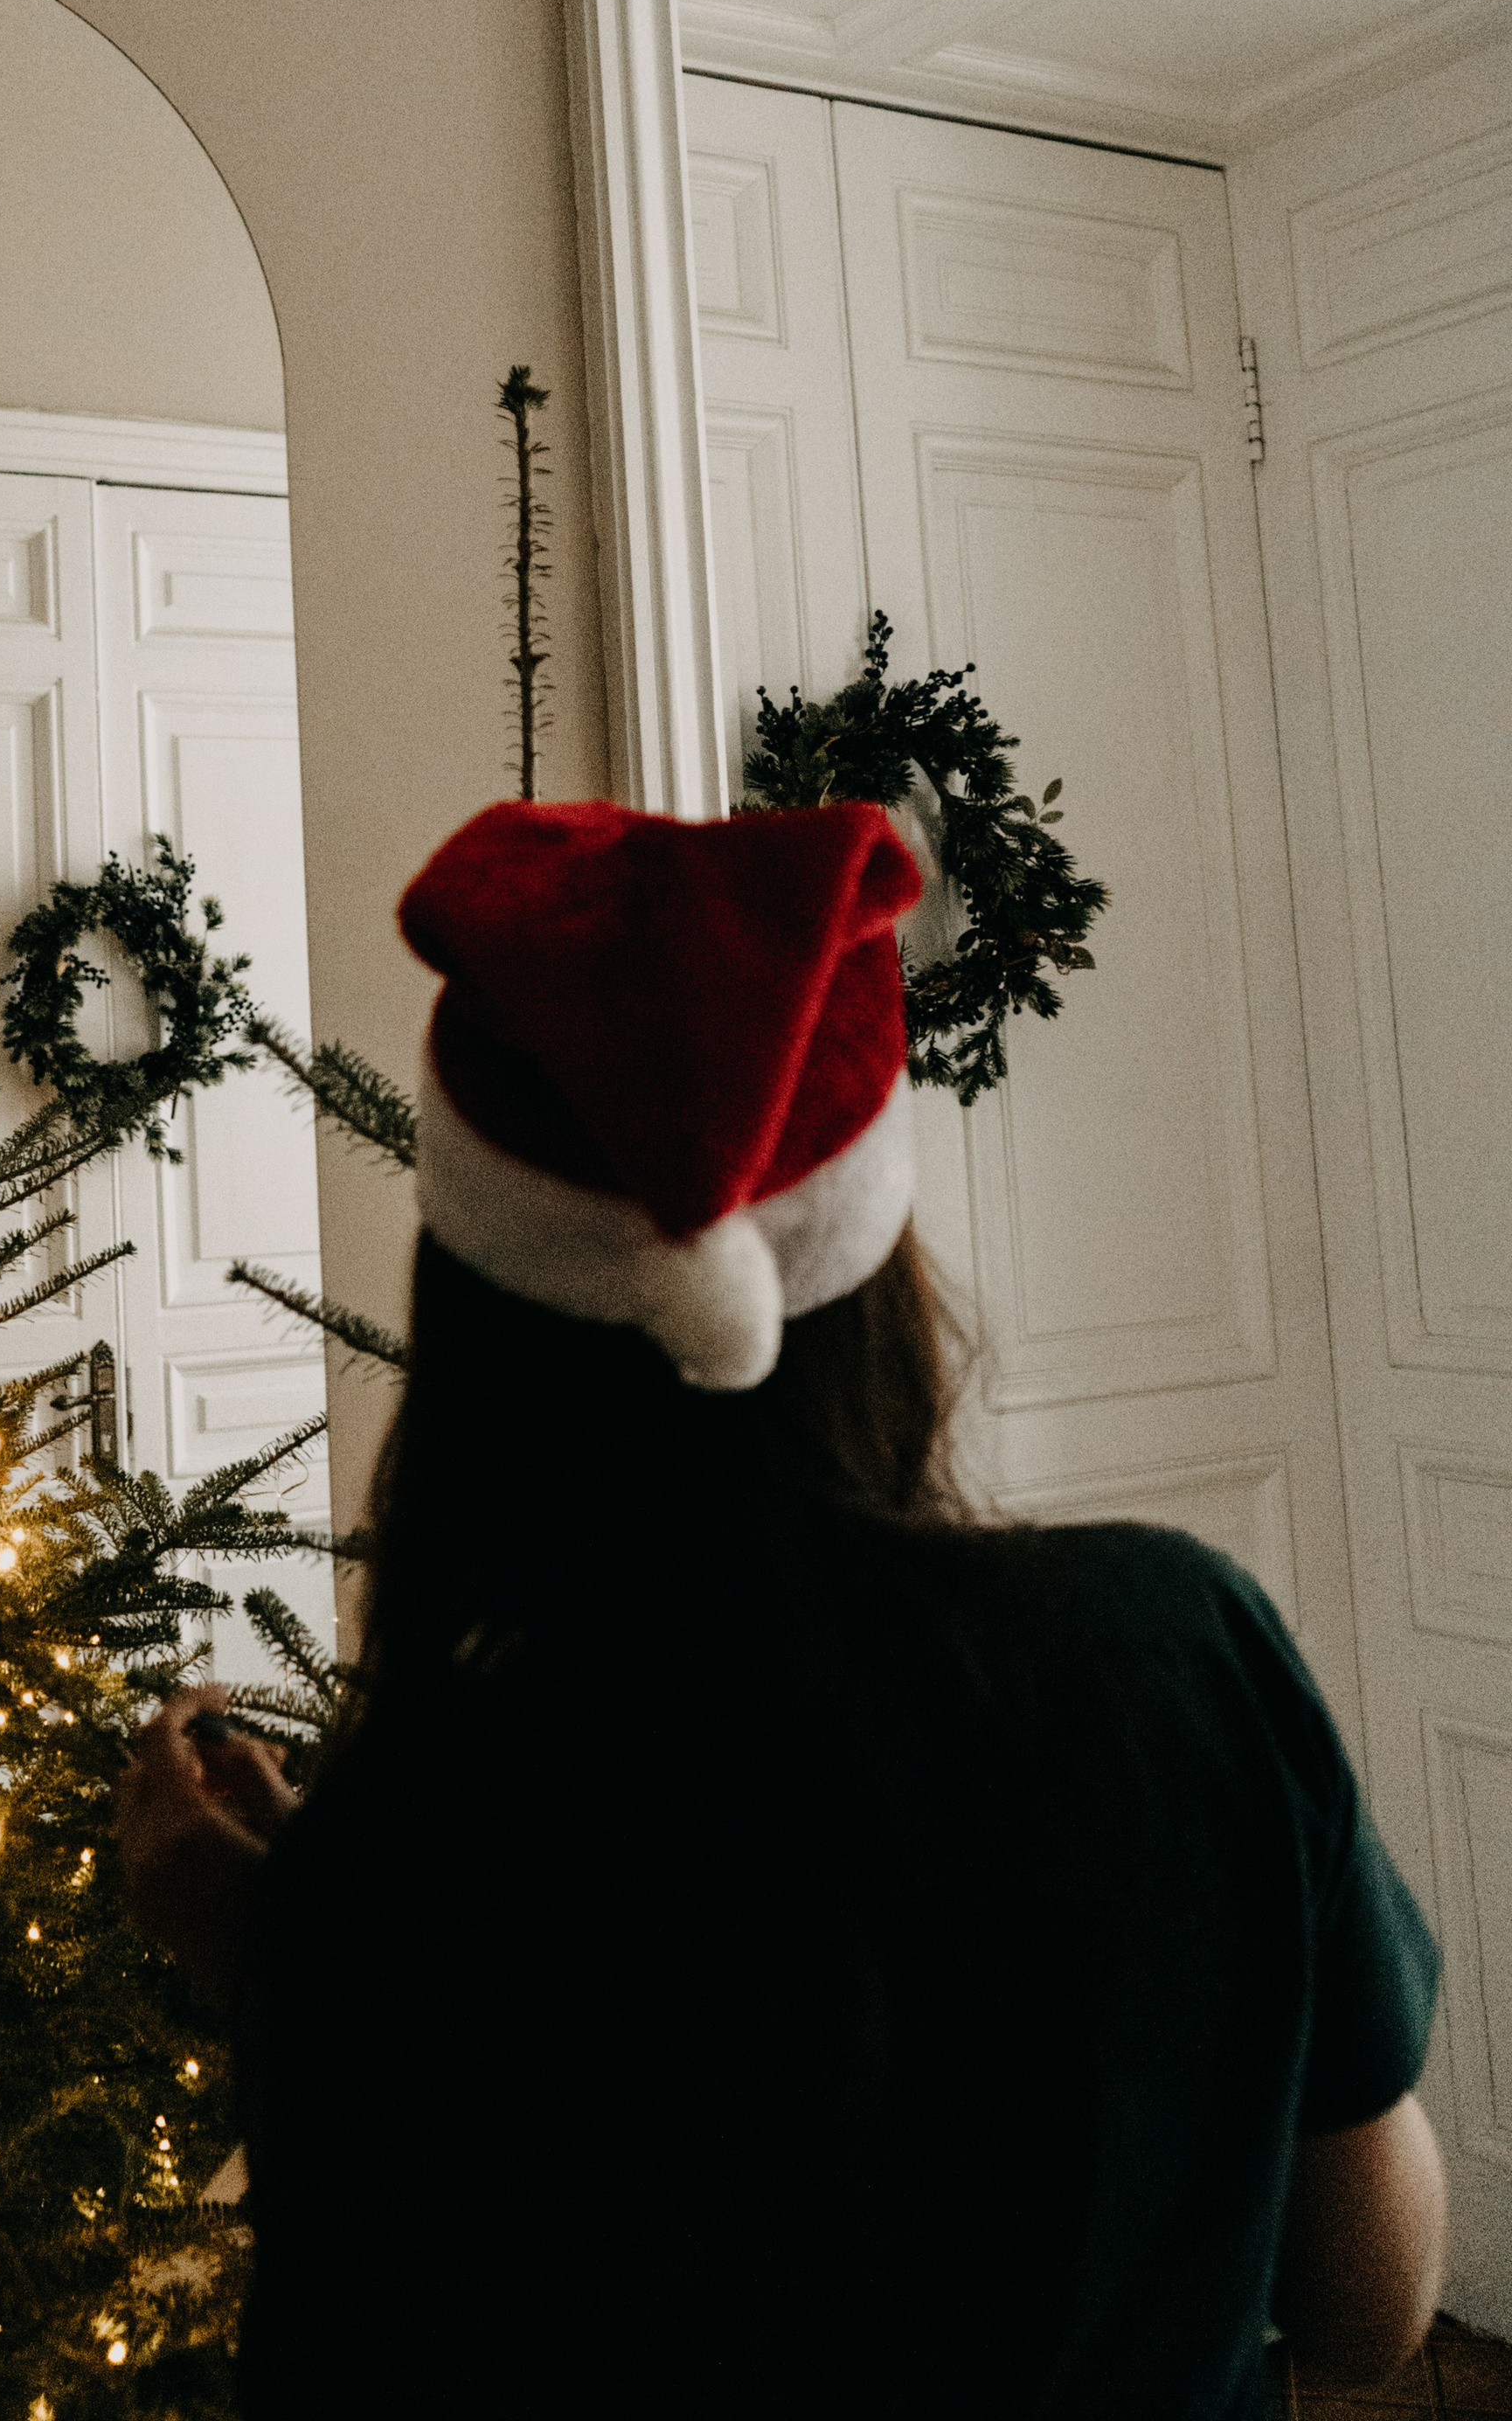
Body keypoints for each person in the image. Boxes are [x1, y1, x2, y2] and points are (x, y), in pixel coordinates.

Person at [117, 798, 1448, 2419]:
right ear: (877, 1275)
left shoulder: (417, 1839)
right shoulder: (1178, 1652)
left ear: (475, 1317)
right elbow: (1375, 2304)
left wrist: (295, 1956)